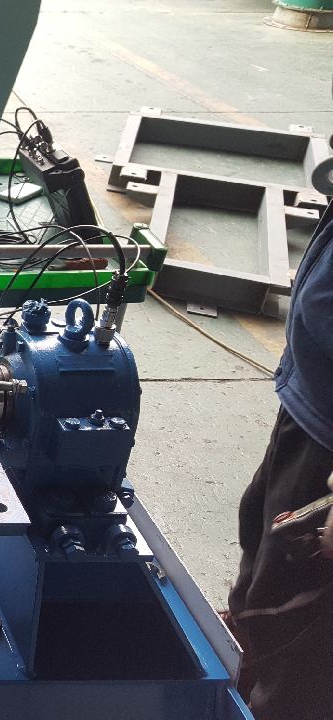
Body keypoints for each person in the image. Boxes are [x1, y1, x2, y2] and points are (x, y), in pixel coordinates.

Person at [227, 203, 333, 720]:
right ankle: (245, 653)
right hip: (310, 402)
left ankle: (279, 703)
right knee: (262, 532)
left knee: (302, 612)